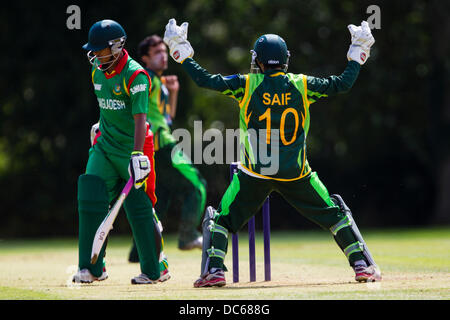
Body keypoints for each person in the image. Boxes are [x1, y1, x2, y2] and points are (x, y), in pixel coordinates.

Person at [163, 19, 381, 287]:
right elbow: (342, 83)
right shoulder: (302, 84)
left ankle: (215, 271)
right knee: (335, 216)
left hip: (255, 173)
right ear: (285, 60)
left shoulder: (247, 84)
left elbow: (204, 79)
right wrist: (358, 50)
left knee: (220, 220)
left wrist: (180, 49)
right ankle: (361, 265)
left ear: (259, 61)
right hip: (296, 173)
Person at [73, 19, 169, 285]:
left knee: (139, 207)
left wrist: (138, 155)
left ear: (116, 47)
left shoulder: (136, 75)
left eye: (100, 50)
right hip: (104, 146)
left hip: (133, 149)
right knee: (90, 195)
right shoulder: (97, 72)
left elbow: (140, 119)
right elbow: (109, 108)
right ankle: (91, 268)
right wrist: (99, 125)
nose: (95, 55)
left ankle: (154, 269)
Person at [128, 34, 207, 254]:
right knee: (197, 186)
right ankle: (188, 235)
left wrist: (173, 93)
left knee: (159, 199)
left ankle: (139, 250)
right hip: (161, 144)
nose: (163, 56)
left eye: (164, 51)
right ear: (145, 58)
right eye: (157, 53)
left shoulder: (158, 82)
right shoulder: (145, 78)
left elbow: (168, 117)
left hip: (155, 146)